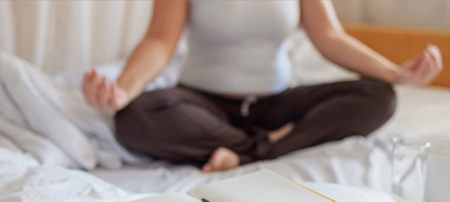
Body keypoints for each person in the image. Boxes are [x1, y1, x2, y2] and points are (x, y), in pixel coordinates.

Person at [82, 0, 442, 172]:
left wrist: (395, 73)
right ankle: (269, 147)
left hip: (275, 104)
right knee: (135, 115)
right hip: (203, 104)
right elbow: (160, 40)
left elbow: (329, 36)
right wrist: (124, 89)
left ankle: (246, 152)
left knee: (378, 97)